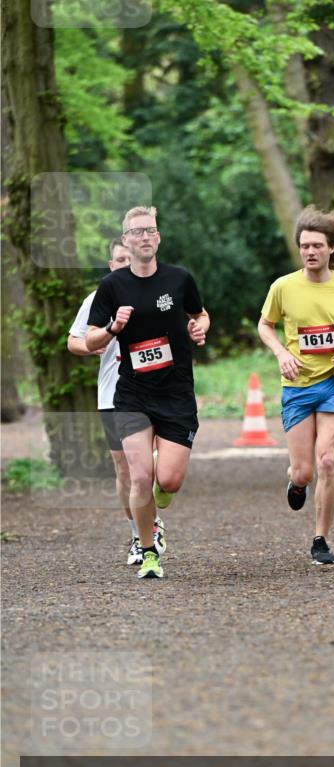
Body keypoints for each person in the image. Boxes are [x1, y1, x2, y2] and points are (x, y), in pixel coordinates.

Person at [85, 206, 209, 579]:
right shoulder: (112, 287)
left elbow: (200, 314)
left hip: (175, 394)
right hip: (133, 394)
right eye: (136, 231)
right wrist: (112, 328)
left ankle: (155, 508)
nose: (143, 236)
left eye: (149, 230)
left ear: (157, 238)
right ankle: (148, 550)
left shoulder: (179, 279)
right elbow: (90, 338)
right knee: (140, 476)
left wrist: (198, 329)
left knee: (166, 481)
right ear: (125, 240)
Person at [258, 205, 334, 564]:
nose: (310, 251)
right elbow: (265, 326)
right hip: (297, 386)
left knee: (327, 461)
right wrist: (281, 353)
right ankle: (295, 481)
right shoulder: (283, 287)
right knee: (305, 471)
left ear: (330, 249)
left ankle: (320, 540)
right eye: (304, 245)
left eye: (316, 245)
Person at [67, 237, 166, 565]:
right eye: (119, 260)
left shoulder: (157, 292)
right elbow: (73, 341)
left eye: (129, 258)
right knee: (125, 472)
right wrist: (89, 346)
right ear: (111, 266)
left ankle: (151, 523)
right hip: (113, 394)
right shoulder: (97, 300)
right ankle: (139, 535)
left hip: (155, 392)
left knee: (152, 470)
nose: (125, 265)